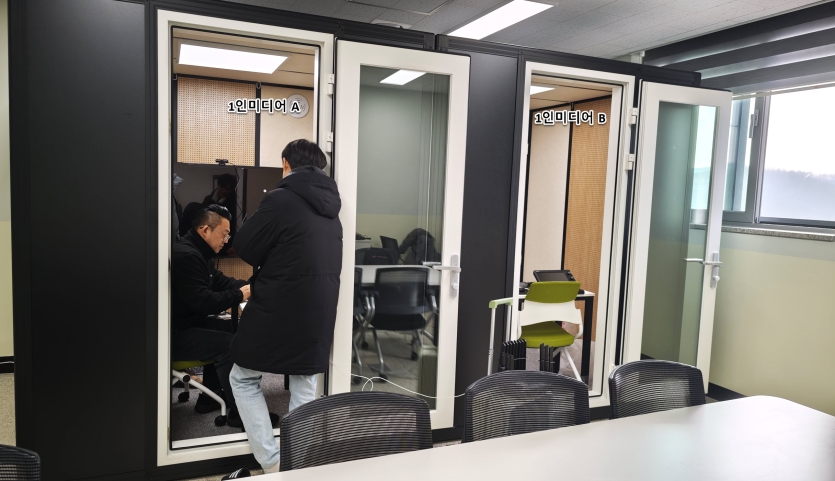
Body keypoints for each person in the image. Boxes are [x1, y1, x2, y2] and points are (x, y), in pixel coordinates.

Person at [223, 139, 342, 478]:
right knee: (304, 382)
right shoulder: (333, 207)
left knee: (242, 377)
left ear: (287, 163)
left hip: (280, 304)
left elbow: (246, 246)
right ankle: (298, 465)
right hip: (320, 305)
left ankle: (273, 463)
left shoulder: (280, 198)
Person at [171, 205, 277, 429]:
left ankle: (208, 397)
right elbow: (203, 301)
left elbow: (221, 282)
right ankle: (241, 412)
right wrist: (240, 294)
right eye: (225, 234)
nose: (227, 241)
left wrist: (254, 287)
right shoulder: (186, 256)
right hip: (173, 335)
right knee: (228, 345)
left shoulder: (202, 254)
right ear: (205, 230)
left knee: (232, 329)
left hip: (188, 324)